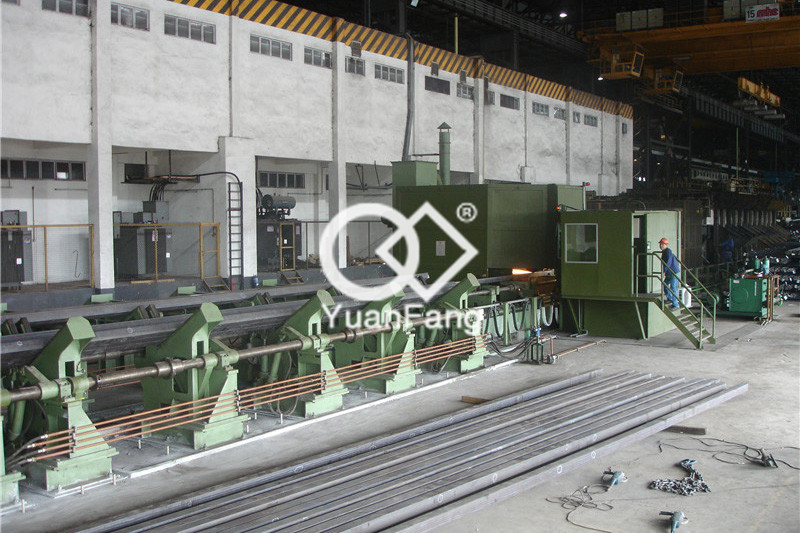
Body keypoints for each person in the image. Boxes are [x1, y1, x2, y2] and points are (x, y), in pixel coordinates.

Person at [659, 237, 681, 309]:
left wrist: (664, 271)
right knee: (665, 284)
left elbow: (668, 262)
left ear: (666, 245)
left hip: (673, 272)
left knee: (673, 288)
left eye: (662, 244)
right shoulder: (664, 252)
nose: (661, 246)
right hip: (669, 272)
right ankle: (669, 298)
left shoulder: (668, 252)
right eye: (660, 244)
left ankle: (676, 305)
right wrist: (665, 271)